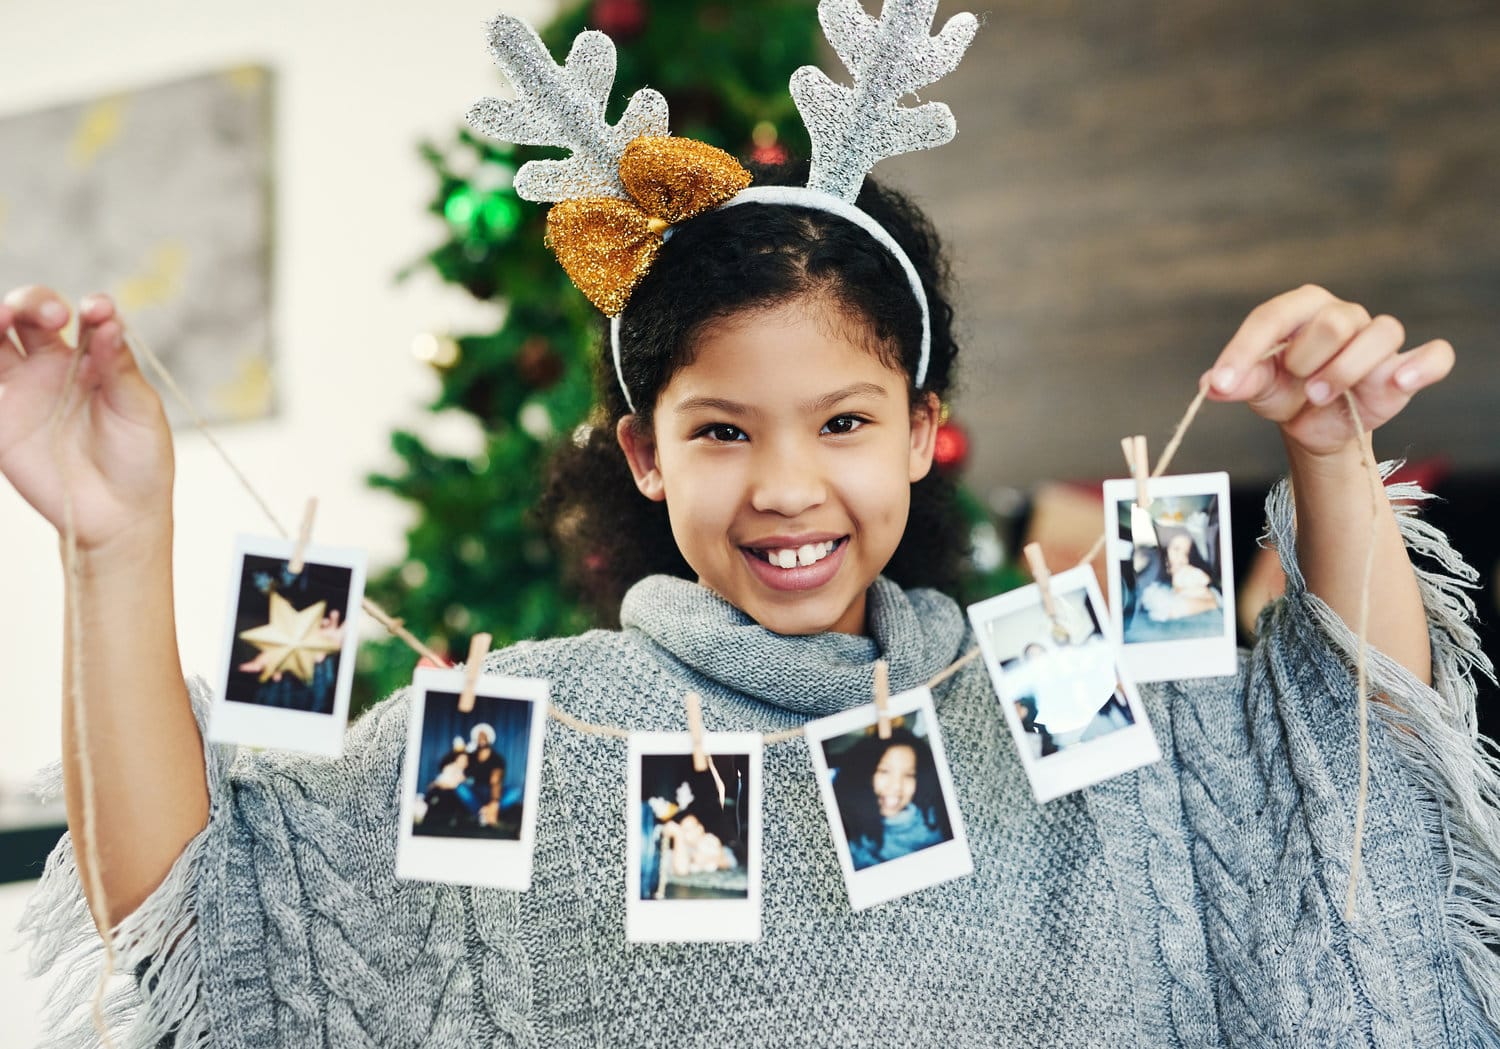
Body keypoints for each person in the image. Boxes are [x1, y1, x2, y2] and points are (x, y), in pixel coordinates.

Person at [5, 20, 1497, 1047]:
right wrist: (110, 542)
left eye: (844, 422)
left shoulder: (1070, 708)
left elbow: (1355, 782)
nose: (788, 486)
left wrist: (1327, 451)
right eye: (724, 431)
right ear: (647, 457)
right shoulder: (524, 730)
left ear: (924, 432)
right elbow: (213, 928)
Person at [831, 728, 953, 870]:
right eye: (884, 771)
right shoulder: (846, 837)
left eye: (908, 775)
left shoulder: (941, 818)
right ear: (863, 774)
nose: (896, 786)